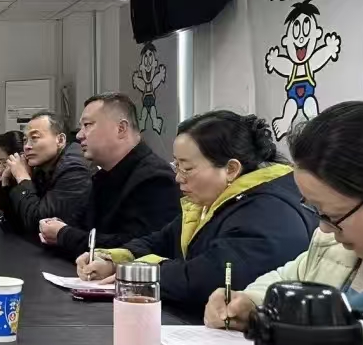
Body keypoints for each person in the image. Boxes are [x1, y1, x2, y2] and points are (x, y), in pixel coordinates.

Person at [204, 102, 363, 345]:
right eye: (316, 211)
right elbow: (286, 279)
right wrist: (249, 303)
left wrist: (301, 329)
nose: (324, 228)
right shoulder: (331, 246)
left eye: (333, 215)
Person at [78, 111, 314, 308]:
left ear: (231, 169)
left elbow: (207, 278)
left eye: (187, 168)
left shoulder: (270, 213)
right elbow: (161, 240)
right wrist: (113, 259)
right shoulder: (212, 201)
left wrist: (136, 272)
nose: (178, 178)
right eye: (177, 165)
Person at [43, 93, 180, 258]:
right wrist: (58, 228)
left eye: (87, 125)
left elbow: (136, 248)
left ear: (121, 129)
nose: (79, 135)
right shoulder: (103, 176)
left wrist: (64, 234)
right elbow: (82, 226)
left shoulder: (156, 180)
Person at [0, 114, 91, 238]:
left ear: (60, 140)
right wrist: (7, 182)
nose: (27, 146)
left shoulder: (73, 169)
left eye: (34, 138)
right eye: (25, 140)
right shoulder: (42, 167)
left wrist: (22, 178)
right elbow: (15, 224)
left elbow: (40, 225)